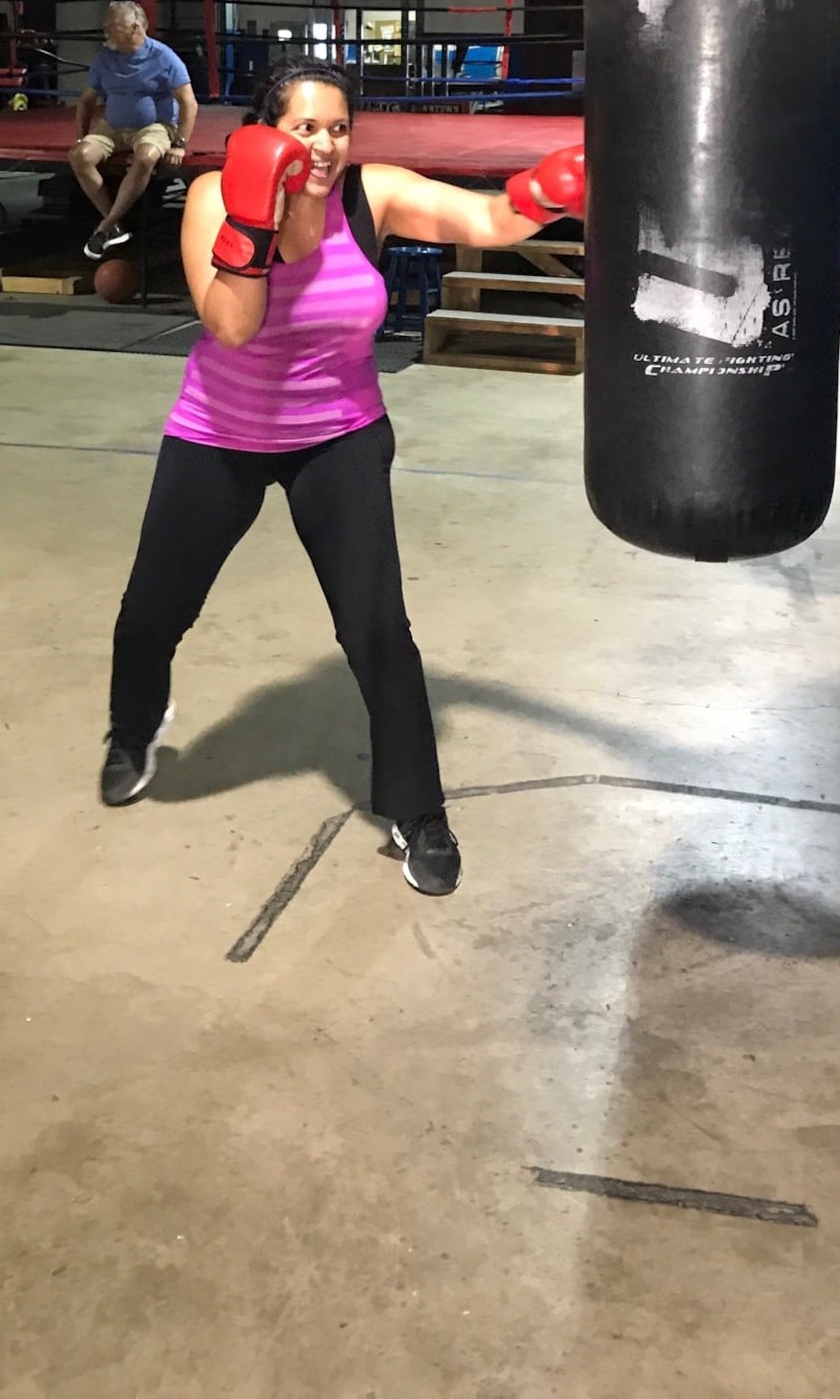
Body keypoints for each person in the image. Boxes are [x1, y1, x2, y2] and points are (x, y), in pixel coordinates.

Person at [99, 57, 586, 897]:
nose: (324, 145)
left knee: (378, 631)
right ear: (266, 132)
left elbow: (490, 217)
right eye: (305, 128)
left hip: (341, 436)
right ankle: (133, 730)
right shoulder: (217, 194)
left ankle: (418, 809)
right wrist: (256, 218)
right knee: (152, 612)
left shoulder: (373, 194)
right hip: (219, 432)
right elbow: (232, 326)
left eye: (337, 128)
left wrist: (553, 187)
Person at [70, 1, 199, 259]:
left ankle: (106, 226)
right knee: (79, 156)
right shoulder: (105, 59)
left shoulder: (163, 57)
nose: (106, 31)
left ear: (134, 28)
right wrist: (81, 137)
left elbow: (189, 102)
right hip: (112, 127)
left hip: (154, 126)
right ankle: (113, 224)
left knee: (147, 156)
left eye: (112, 26)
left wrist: (179, 144)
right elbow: (86, 101)